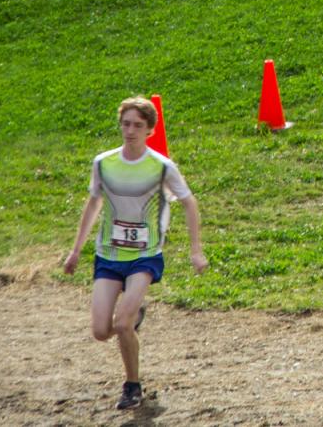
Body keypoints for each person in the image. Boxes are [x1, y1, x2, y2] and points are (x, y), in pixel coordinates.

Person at [62, 96, 207, 411]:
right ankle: (134, 316)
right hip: (109, 255)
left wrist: (196, 251)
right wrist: (76, 250)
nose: (130, 131)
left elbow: (189, 202)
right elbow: (94, 203)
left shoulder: (162, 167)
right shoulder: (104, 162)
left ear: (150, 130)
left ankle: (132, 386)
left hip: (145, 255)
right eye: (125, 124)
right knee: (101, 331)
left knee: (123, 324)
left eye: (138, 125)